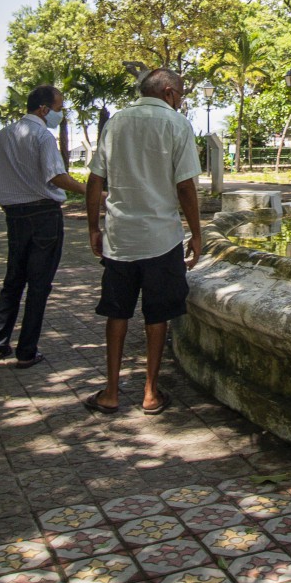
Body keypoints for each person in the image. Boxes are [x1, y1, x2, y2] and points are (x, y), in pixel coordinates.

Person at [83, 68, 201, 415]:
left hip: (120, 238)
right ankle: (150, 392)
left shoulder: (117, 122)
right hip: (161, 239)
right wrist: (197, 232)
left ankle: (111, 391)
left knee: (116, 312)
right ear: (168, 92)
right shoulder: (177, 125)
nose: (180, 102)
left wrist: (93, 227)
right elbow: (185, 186)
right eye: (179, 95)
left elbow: (95, 180)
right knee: (157, 314)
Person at [0, 85, 85, 368]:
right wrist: (90, 191)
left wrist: (8, 197)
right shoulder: (42, 136)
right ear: (44, 110)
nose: (60, 115)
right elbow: (57, 176)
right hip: (44, 215)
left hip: (15, 216)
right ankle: (27, 350)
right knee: (38, 284)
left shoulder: (4, 135)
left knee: (13, 280)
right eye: (59, 109)